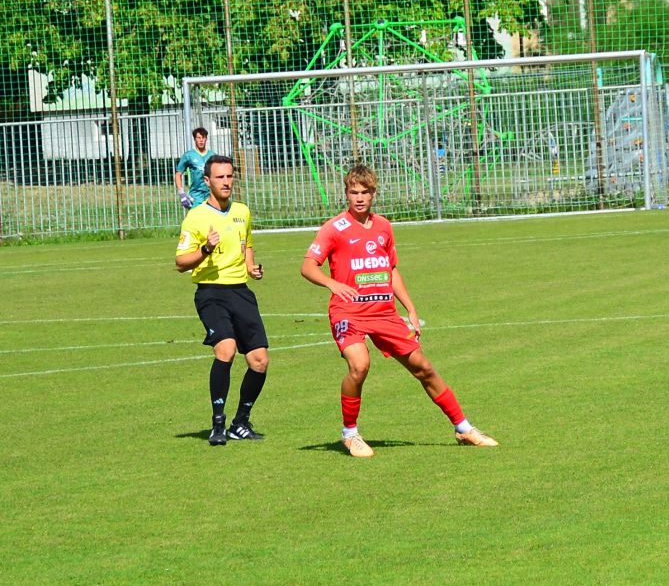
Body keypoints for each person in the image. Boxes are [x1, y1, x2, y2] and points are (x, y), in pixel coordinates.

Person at [301, 164, 498, 457]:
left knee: (424, 368)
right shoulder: (334, 228)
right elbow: (307, 266)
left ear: (373, 194)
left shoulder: (383, 227)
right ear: (346, 194)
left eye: (365, 192)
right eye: (353, 192)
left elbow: (390, 269)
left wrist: (411, 308)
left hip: (384, 314)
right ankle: (350, 434)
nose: (359, 198)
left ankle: (464, 428)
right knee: (359, 365)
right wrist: (333, 284)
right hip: (348, 312)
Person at [174, 154, 268, 446]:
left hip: (241, 292)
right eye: (220, 177)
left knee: (259, 361)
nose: (226, 182)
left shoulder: (242, 211)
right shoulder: (196, 217)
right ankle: (218, 424)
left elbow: (246, 243)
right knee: (225, 350)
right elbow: (180, 262)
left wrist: (251, 268)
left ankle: (241, 423)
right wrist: (205, 249)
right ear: (207, 181)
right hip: (211, 293)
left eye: (229, 176)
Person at [174, 127, 211, 210]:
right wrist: (182, 194)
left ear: (206, 139)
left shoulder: (212, 156)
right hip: (195, 195)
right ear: (195, 139)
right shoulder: (188, 155)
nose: (201, 140)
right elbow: (178, 174)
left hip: (210, 194)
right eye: (199, 138)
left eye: (203, 137)